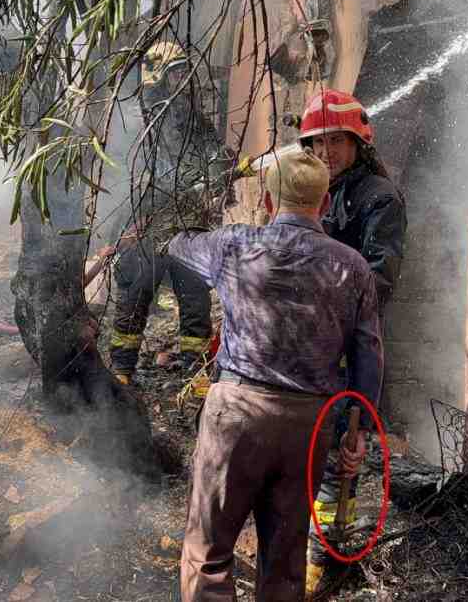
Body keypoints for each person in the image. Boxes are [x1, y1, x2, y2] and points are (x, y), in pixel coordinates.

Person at [170, 147, 383, 601]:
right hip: (307, 428)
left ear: (268, 202)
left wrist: (206, 197)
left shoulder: (233, 245)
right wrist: (359, 429)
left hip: (237, 415)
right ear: (324, 204)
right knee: (286, 563)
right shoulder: (353, 267)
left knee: (207, 555)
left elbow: (177, 243)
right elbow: (367, 353)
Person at [294, 88, 407, 596]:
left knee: (344, 445)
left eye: (336, 141)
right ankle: (311, 539)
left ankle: (328, 555)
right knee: (307, 440)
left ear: (359, 141)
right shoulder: (317, 190)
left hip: (349, 341)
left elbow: (379, 280)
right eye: (317, 144)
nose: (326, 153)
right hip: (310, 342)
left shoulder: (378, 197)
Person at [108, 41, 233, 384]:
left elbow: (213, 153)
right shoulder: (142, 125)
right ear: (157, 79)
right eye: (176, 72)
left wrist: (222, 162)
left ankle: (196, 376)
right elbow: (131, 177)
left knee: (195, 298)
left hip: (189, 226)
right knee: (136, 293)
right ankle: (121, 370)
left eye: (184, 72)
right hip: (149, 227)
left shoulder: (194, 120)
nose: (185, 79)